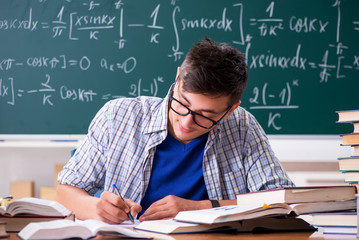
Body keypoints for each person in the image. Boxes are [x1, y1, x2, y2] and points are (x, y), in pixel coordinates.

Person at [56, 37, 294, 224]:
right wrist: (95, 208)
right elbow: (67, 189)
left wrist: (200, 207)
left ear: (230, 110)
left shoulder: (242, 126)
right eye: (182, 103)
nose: (186, 122)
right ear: (178, 77)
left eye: (206, 116)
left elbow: (281, 201)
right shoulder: (118, 116)